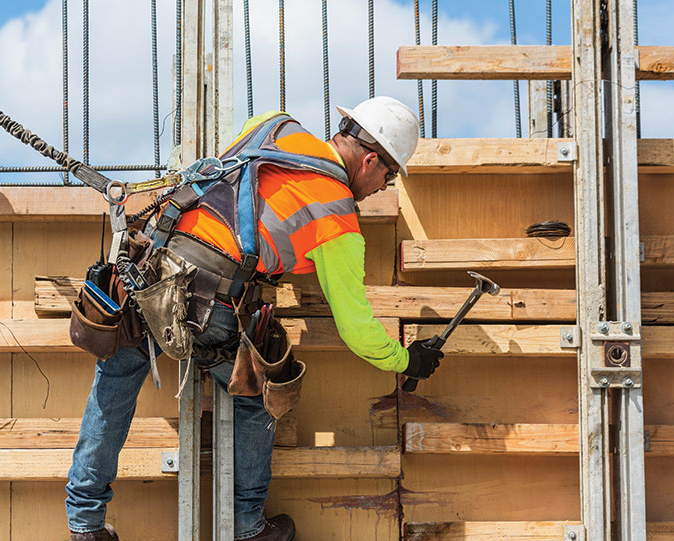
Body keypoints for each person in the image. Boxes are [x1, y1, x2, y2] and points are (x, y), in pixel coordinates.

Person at [66, 96, 444, 541]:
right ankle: (246, 528)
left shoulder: (275, 125)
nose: (384, 186)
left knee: (117, 376)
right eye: (389, 175)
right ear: (370, 160)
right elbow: (357, 329)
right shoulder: (337, 216)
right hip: (211, 303)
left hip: (150, 268)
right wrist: (407, 361)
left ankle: (84, 522)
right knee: (259, 389)